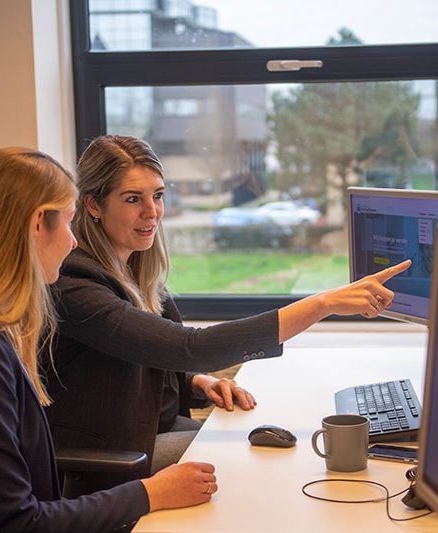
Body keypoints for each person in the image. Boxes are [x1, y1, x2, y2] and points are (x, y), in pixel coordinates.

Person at [45, 135, 411, 475]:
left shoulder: (134, 270)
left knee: (258, 441)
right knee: (254, 459)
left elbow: (139, 353)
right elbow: (188, 346)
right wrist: (323, 303)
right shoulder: (76, 286)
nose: (152, 212)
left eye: (157, 195)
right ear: (92, 204)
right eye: (132, 199)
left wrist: (198, 382)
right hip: (114, 455)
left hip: (150, 430)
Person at [0, 147, 218, 532]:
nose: (75, 242)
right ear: (39, 223)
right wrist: (150, 493)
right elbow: (17, 523)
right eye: (70, 224)